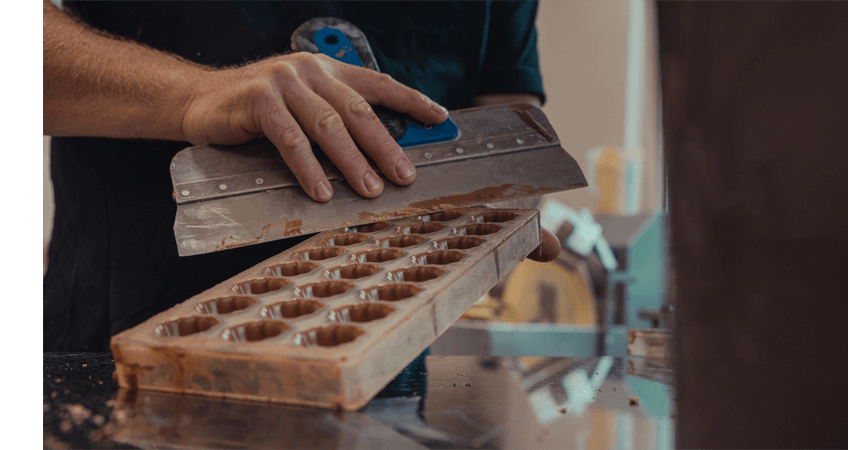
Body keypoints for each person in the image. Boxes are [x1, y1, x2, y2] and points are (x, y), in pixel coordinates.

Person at [43, 1, 559, 351]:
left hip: (378, 358)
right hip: (115, 340)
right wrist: (189, 94)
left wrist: (496, 212)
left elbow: (505, 116)